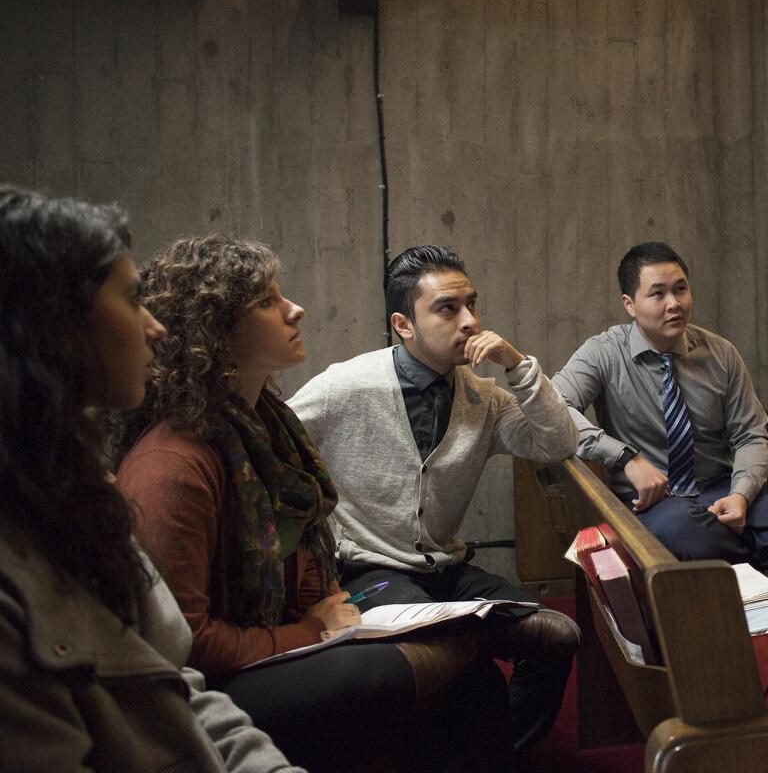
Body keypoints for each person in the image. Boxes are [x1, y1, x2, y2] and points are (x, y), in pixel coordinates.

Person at [115, 235, 512, 772]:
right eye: (267, 301)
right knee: (388, 672)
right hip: (198, 687)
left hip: (274, 633)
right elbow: (185, 645)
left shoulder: (266, 422)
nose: (295, 308)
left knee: (475, 685)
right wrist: (313, 630)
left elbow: (302, 546)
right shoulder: (175, 462)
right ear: (217, 331)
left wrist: (325, 603)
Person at [0, 186, 302, 771]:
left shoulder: (79, 490)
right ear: (52, 324)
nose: (155, 327)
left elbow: (175, 686)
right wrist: (311, 632)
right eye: (133, 298)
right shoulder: (173, 460)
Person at [287, 244, 581, 756]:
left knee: (556, 634)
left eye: (471, 304)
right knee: (448, 648)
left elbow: (555, 443)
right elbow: (272, 441)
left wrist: (517, 364)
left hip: (447, 568)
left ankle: (504, 753)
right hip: (368, 572)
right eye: (447, 308)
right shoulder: (347, 385)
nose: (469, 321)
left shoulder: (484, 397)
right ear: (404, 324)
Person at [553, 242, 768, 606]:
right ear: (629, 304)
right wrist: (625, 458)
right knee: (689, 536)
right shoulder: (604, 352)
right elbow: (554, 408)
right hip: (654, 500)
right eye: (658, 294)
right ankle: (724, 637)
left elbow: (751, 434)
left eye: (680, 289)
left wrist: (742, 493)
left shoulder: (720, 353)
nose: (674, 303)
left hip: (720, 486)